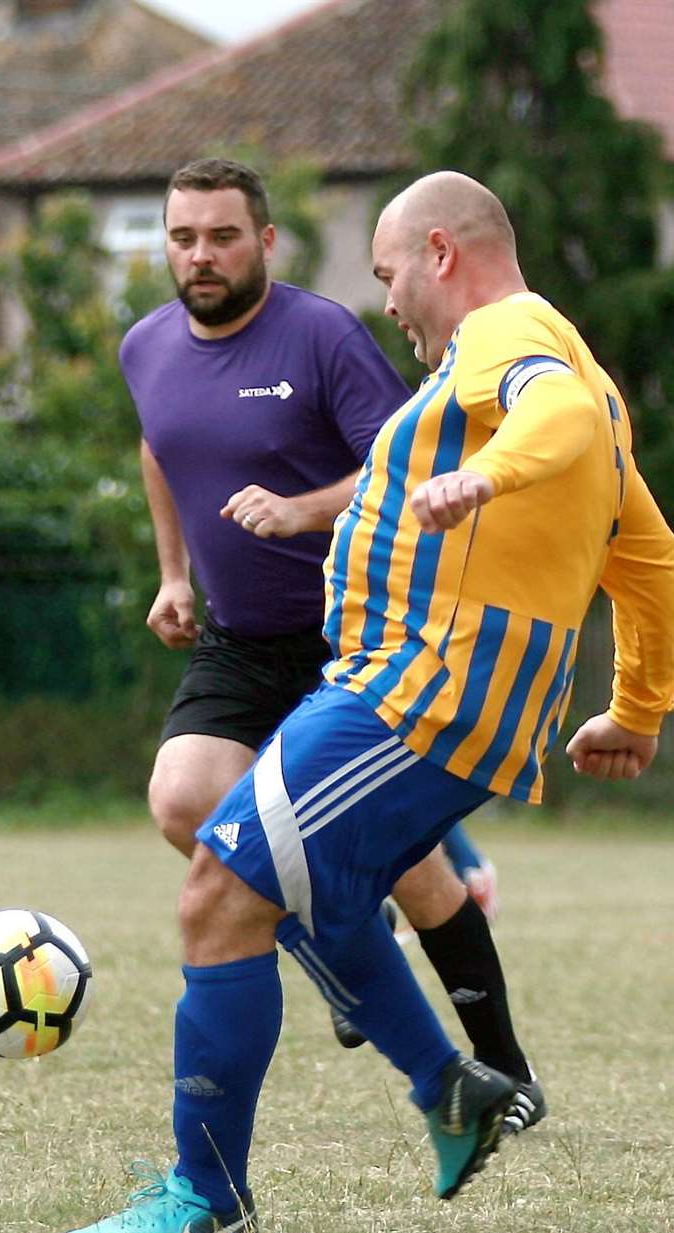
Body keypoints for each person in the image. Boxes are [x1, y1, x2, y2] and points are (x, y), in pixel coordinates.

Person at [58, 169, 674, 1233]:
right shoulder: (571, 370)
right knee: (309, 895)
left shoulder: (508, 339)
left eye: (391, 273)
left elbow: (555, 411)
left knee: (218, 893)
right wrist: (636, 711)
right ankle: (453, 1089)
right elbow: (650, 554)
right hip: (400, 687)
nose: (388, 301)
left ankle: (206, 1192)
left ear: (442, 253)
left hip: (422, 691)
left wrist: (482, 480)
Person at [126, 158, 528, 1072]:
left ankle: (504, 1066)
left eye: (223, 236)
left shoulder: (322, 336)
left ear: (265, 241)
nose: (202, 256)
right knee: (185, 802)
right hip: (235, 639)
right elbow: (159, 446)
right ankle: (346, 939)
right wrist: (172, 572)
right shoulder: (145, 346)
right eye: (184, 238)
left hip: (349, 635)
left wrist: (303, 508)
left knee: (414, 867)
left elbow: (406, 461)